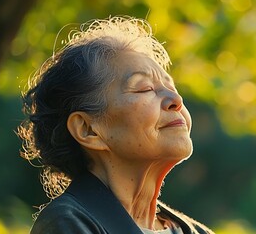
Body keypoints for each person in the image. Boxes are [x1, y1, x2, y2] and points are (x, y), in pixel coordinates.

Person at [18, 16, 214, 234]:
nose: (175, 100)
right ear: (88, 129)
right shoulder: (67, 224)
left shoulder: (196, 231)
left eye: (172, 88)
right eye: (144, 88)